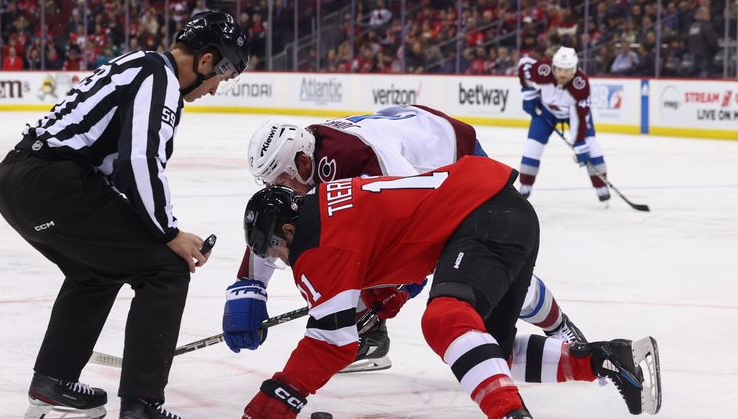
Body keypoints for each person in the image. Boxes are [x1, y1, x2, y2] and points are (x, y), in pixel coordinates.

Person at [237, 161, 661, 419]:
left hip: (482, 219)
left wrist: (284, 392)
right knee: (486, 350)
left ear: (287, 232)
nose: (279, 259)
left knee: (443, 320)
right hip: (503, 210)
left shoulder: (318, 247)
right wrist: (382, 293)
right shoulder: (330, 205)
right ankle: (607, 359)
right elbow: (391, 232)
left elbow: (333, 342)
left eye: (274, 249)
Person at [0, 11, 249, 419]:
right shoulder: (159, 74)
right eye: (221, 77)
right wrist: (168, 233)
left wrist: (154, 228)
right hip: (52, 183)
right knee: (165, 269)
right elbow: (138, 161)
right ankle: (143, 416)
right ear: (206, 61)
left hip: (18, 182)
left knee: (95, 270)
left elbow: (115, 173)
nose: (214, 90)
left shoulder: (139, 67)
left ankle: (53, 386)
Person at [223, 105, 586, 374]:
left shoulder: (364, 160)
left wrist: (401, 289)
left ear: (303, 164)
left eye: (281, 183)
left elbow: (420, 223)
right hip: (416, 149)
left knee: (484, 266)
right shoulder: (310, 157)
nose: (280, 192)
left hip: (456, 159)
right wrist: (250, 284)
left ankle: (559, 326)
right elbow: (279, 215)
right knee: (347, 255)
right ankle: (372, 335)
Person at [518, 46, 611, 203]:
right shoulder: (543, 69)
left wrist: (579, 143)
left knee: (592, 145)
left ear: (575, 69)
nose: (562, 74)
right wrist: (529, 94)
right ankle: (524, 186)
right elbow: (524, 64)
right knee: (532, 146)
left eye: (568, 70)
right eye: (559, 69)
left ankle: (601, 186)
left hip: (572, 116)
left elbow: (579, 118)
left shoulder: (580, 85)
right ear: (553, 66)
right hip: (545, 113)